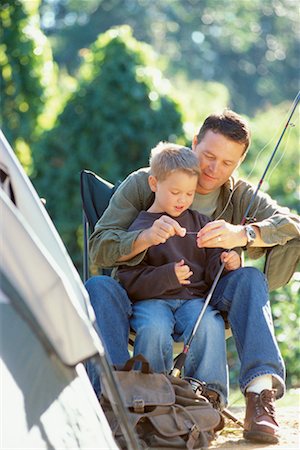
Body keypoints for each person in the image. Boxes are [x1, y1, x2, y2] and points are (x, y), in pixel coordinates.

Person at [86, 109, 300, 445]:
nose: (214, 169)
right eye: (209, 156)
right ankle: (111, 399)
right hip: (142, 296)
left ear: (240, 162)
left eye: (227, 163)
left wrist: (242, 235)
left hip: (207, 297)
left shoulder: (239, 194)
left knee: (249, 279)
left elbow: (292, 224)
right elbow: (99, 248)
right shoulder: (147, 182)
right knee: (97, 286)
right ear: (194, 142)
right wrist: (143, 238)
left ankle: (259, 398)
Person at [117, 142, 241, 382]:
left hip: (192, 302)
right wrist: (168, 276)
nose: (182, 200)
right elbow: (129, 281)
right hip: (152, 302)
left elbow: (212, 267)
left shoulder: (200, 222)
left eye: (189, 193)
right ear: (154, 184)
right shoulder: (142, 228)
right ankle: (150, 392)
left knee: (208, 323)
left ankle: (208, 394)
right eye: (175, 193)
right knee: (153, 327)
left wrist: (225, 262)